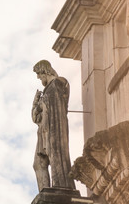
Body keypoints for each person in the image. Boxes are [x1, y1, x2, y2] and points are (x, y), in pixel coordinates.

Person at [31, 60, 75, 192]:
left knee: (54, 158)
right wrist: (35, 105)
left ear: (45, 71)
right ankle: (44, 191)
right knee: (38, 164)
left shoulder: (57, 84)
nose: (38, 77)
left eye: (39, 74)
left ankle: (59, 187)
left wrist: (40, 106)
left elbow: (57, 112)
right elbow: (36, 118)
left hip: (53, 129)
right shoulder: (47, 90)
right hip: (43, 130)